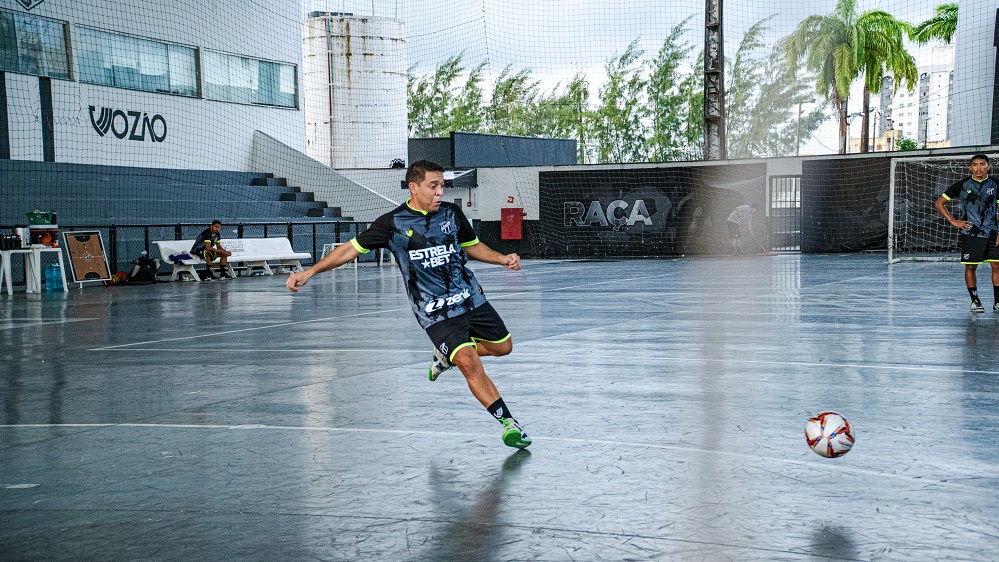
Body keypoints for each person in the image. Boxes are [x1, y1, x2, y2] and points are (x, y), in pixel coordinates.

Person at [286, 160, 531, 449]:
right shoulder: (393, 224)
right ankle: (508, 423)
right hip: (435, 311)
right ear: (414, 188)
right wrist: (310, 271)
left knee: (504, 347)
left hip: (471, 298)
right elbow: (349, 250)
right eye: (433, 186)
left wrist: (501, 258)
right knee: (469, 362)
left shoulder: (452, 214)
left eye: (442, 186)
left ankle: (444, 357)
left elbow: (472, 245)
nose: (440, 192)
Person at [934, 154, 999, 313]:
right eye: (975, 165)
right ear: (970, 167)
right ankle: (975, 301)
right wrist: (953, 221)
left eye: (982, 164)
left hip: (993, 232)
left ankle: (998, 302)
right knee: (971, 266)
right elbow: (939, 203)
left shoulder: (996, 184)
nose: (979, 168)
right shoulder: (963, 184)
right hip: (971, 233)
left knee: (997, 265)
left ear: (988, 166)